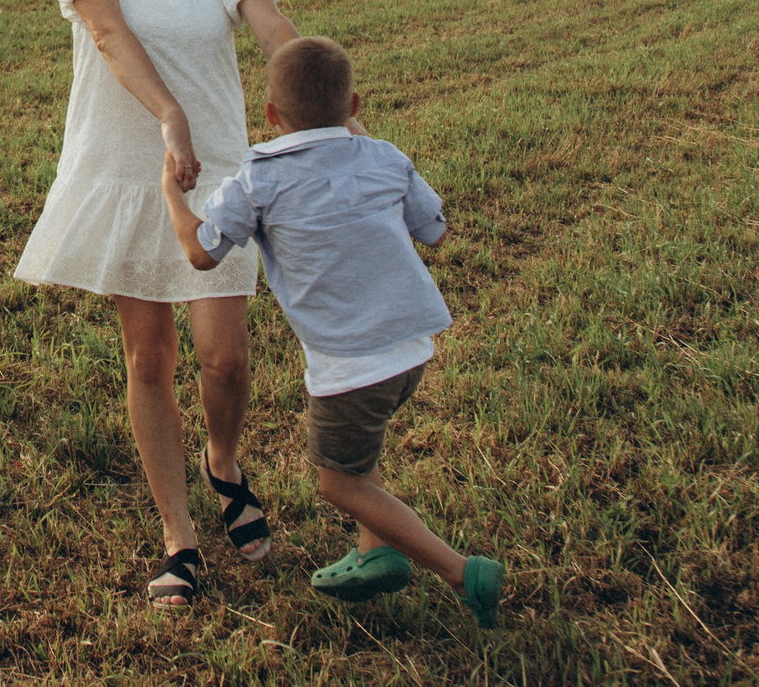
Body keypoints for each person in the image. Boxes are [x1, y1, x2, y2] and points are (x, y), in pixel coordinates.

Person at [0, 0, 303, 608]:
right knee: (149, 357)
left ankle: (223, 462)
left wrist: (319, 97)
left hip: (219, 167)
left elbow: (269, 25)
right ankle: (179, 536)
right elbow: (108, 34)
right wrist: (169, 115)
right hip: (135, 167)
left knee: (225, 356)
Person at [162, 36, 505, 628]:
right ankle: (376, 555)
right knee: (359, 455)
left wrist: (172, 193)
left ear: (269, 116)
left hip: (349, 366)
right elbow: (436, 231)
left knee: (336, 484)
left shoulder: (260, 177)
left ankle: (461, 572)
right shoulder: (385, 156)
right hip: (411, 350)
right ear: (354, 104)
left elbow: (200, 254)